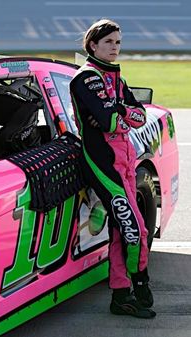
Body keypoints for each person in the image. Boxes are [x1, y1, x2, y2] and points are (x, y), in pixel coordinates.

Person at [70, 19, 156, 318]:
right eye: (108, 42)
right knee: (136, 229)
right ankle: (141, 284)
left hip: (125, 160)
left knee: (121, 229)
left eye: (118, 42)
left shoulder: (116, 79)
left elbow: (139, 117)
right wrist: (118, 113)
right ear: (93, 44)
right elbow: (110, 122)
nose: (114, 47)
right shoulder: (87, 78)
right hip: (103, 162)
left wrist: (116, 110)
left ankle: (120, 296)